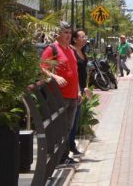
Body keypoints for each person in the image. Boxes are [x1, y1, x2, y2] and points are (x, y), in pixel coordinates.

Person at [41, 23, 80, 163]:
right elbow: (42, 68)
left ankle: (63, 156)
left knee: (67, 129)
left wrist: (78, 91)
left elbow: (75, 72)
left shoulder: (71, 49)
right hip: (58, 96)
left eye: (69, 32)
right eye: (65, 32)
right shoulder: (52, 49)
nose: (68, 35)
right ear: (58, 34)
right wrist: (55, 77)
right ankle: (56, 158)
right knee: (58, 127)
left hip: (72, 95)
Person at [68, 29, 90, 156]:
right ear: (75, 39)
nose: (85, 38)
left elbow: (84, 72)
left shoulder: (82, 51)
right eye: (82, 36)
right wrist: (78, 90)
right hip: (74, 89)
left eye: (85, 36)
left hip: (80, 88)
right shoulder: (71, 51)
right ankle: (69, 146)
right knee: (71, 120)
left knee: (75, 120)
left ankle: (71, 145)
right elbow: (74, 72)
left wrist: (85, 87)